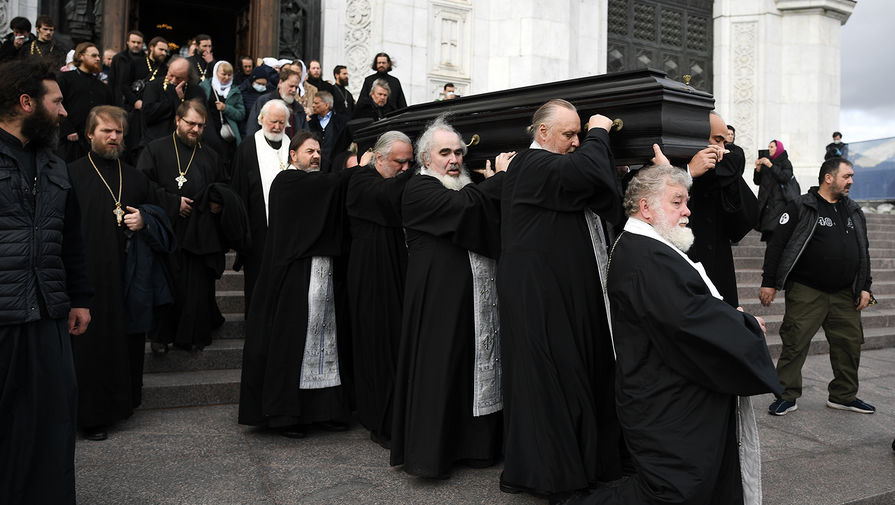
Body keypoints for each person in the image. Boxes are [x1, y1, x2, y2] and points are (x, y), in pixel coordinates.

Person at [564, 163, 782, 505]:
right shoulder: (644, 256)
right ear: (646, 208)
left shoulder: (650, 246)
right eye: (677, 202)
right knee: (671, 490)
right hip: (661, 398)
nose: (687, 210)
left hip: (672, 388)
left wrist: (729, 314)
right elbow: (687, 320)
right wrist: (745, 325)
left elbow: (686, 305)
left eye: (686, 201)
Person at [498, 99, 624, 499]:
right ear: (542, 133)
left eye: (578, 133)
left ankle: (587, 464)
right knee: (551, 380)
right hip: (538, 297)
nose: (575, 141)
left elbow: (602, 190)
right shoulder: (529, 163)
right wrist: (599, 131)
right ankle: (554, 474)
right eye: (569, 134)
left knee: (577, 375)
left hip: (562, 293)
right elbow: (588, 169)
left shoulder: (552, 168)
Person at [390, 117, 506, 479]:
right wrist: (502, 178)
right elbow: (465, 210)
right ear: (426, 159)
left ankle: (478, 447)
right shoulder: (420, 188)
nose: (454, 159)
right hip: (438, 304)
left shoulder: (466, 187)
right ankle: (435, 455)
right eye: (445, 153)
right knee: (441, 372)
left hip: (474, 300)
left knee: (470, 370)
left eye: (458, 152)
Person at [0, 59, 91, 505]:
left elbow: (70, 239)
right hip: (3, 314)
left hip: (49, 312)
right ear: (26, 102)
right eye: (56, 101)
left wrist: (80, 298)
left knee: (52, 421)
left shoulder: (55, 165)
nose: (63, 112)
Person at [66, 105, 175, 441]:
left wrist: (145, 218)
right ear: (89, 134)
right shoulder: (69, 173)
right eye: (105, 131)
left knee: (123, 343)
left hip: (126, 277)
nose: (113, 137)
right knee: (90, 347)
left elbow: (161, 209)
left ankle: (121, 405)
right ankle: (90, 415)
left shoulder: (135, 176)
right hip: (86, 277)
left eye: (118, 132)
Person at [239, 131, 354, 439]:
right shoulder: (287, 182)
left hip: (321, 272)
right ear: (293, 155)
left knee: (322, 343)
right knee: (293, 344)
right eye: (309, 151)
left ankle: (324, 410)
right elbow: (324, 187)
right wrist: (358, 170)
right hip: (292, 277)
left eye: (319, 151)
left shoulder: (314, 183)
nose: (316, 156)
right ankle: (286, 416)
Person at [760, 158, 875, 416]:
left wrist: (865, 286)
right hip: (807, 289)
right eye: (847, 176)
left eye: (852, 176)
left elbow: (863, 251)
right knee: (795, 342)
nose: (851, 181)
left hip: (846, 293)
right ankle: (786, 395)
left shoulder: (853, 210)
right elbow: (776, 245)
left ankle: (844, 395)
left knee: (850, 343)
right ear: (828, 178)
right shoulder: (801, 206)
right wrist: (769, 282)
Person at [137, 99, 228, 353]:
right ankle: (161, 336)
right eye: (191, 124)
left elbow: (223, 186)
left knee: (196, 287)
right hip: (167, 231)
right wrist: (173, 203)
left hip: (200, 233)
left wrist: (216, 202)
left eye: (201, 126)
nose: (196, 130)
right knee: (166, 283)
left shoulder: (211, 155)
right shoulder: (155, 149)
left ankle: (192, 335)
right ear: (177, 120)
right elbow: (143, 184)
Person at [345, 131, 414, 447]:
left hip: (396, 269)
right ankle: (378, 418)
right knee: (376, 345)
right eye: (400, 162)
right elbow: (385, 197)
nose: (405, 169)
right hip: (371, 274)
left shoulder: (392, 176)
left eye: (410, 163)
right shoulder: (361, 179)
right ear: (379, 158)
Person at [685, 111, 755, 307]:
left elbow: (742, 222)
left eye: (726, 143)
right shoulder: (669, 170)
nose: (723, 149)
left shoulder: (722, 169)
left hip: (717, 267)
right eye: (717, 140)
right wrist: (688, 172)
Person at [231, 99, 292, 315]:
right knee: (257, 280)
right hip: (258, 229)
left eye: (282, 123)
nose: (277, 127)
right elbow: (239, 189)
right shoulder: (248, 147)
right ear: (261, 119)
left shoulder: (292, 145)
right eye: (273, 122)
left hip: (287, 231)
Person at [56, 42, 115, 162]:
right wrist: (67, 129)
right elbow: (57, 104)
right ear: (81, 56)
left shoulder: (103, 87)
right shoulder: (65, 78)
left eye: (98, 56)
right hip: (70, 141)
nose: (98, 59)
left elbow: (109, 111)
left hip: (94, 143)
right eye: (93, 55)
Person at [140, 55, 204, 146]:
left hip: (185, 141)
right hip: (155, 141)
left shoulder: (196, 91)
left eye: (179, 78)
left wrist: (180, 101)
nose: (173, 80)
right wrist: (172, 99)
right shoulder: (153, 85)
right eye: (171, 75)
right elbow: (147, 115)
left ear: (188, 78)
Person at [199, 60, 246, 176]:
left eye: (229, 75)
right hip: (207, 131)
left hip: (226, 135)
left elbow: (241, 114)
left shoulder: (235, 91)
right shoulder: (205, 86)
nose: (226, 77)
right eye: (223, 74)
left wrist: (226, 108)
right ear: (216, 73)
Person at [246, 66, 308, 137]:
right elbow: (252, 128)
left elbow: (304, 134)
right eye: (291, 86)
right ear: (280, 83)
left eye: (296, 87)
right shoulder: (263, 101)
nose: (294, 90)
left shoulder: (298, 108)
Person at [754, 139, 794, 242]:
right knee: (769, 235)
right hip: (766, 203)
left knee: (774, 233)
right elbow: (757, 181)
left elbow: (785, 177)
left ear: (778, 148)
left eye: (772, 147)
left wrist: (771, 166)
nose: (769, 149)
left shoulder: (785, 162)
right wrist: (758, 169)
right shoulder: (767, 162)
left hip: (779, 203)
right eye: (769, 147)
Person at [309, 91, 350, 172]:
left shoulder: (341, 122)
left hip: (336, 166)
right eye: (313, 103)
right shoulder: (310, 122)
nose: (313, 105)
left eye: (316, 103)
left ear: (327, 105)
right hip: (316, 167)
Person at [238, 66, 273, 136]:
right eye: (259, 83)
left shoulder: (269, 94)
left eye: (264, 84)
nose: (261, 86)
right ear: (252, 81)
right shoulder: (242, 92)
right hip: (245, 130)